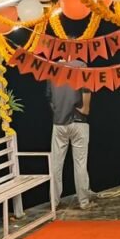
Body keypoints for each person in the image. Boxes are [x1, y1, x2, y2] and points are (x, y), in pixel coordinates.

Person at [46, 58, 95, 209]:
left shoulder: (51, 68)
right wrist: (85, 108)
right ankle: (84, 202)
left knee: (56, 164)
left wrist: (58, 113)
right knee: (80, 163)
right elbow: (87, 89)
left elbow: (49, 97)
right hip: (78, 121)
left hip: (58, 123)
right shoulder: (80, 66)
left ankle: (54, 201)